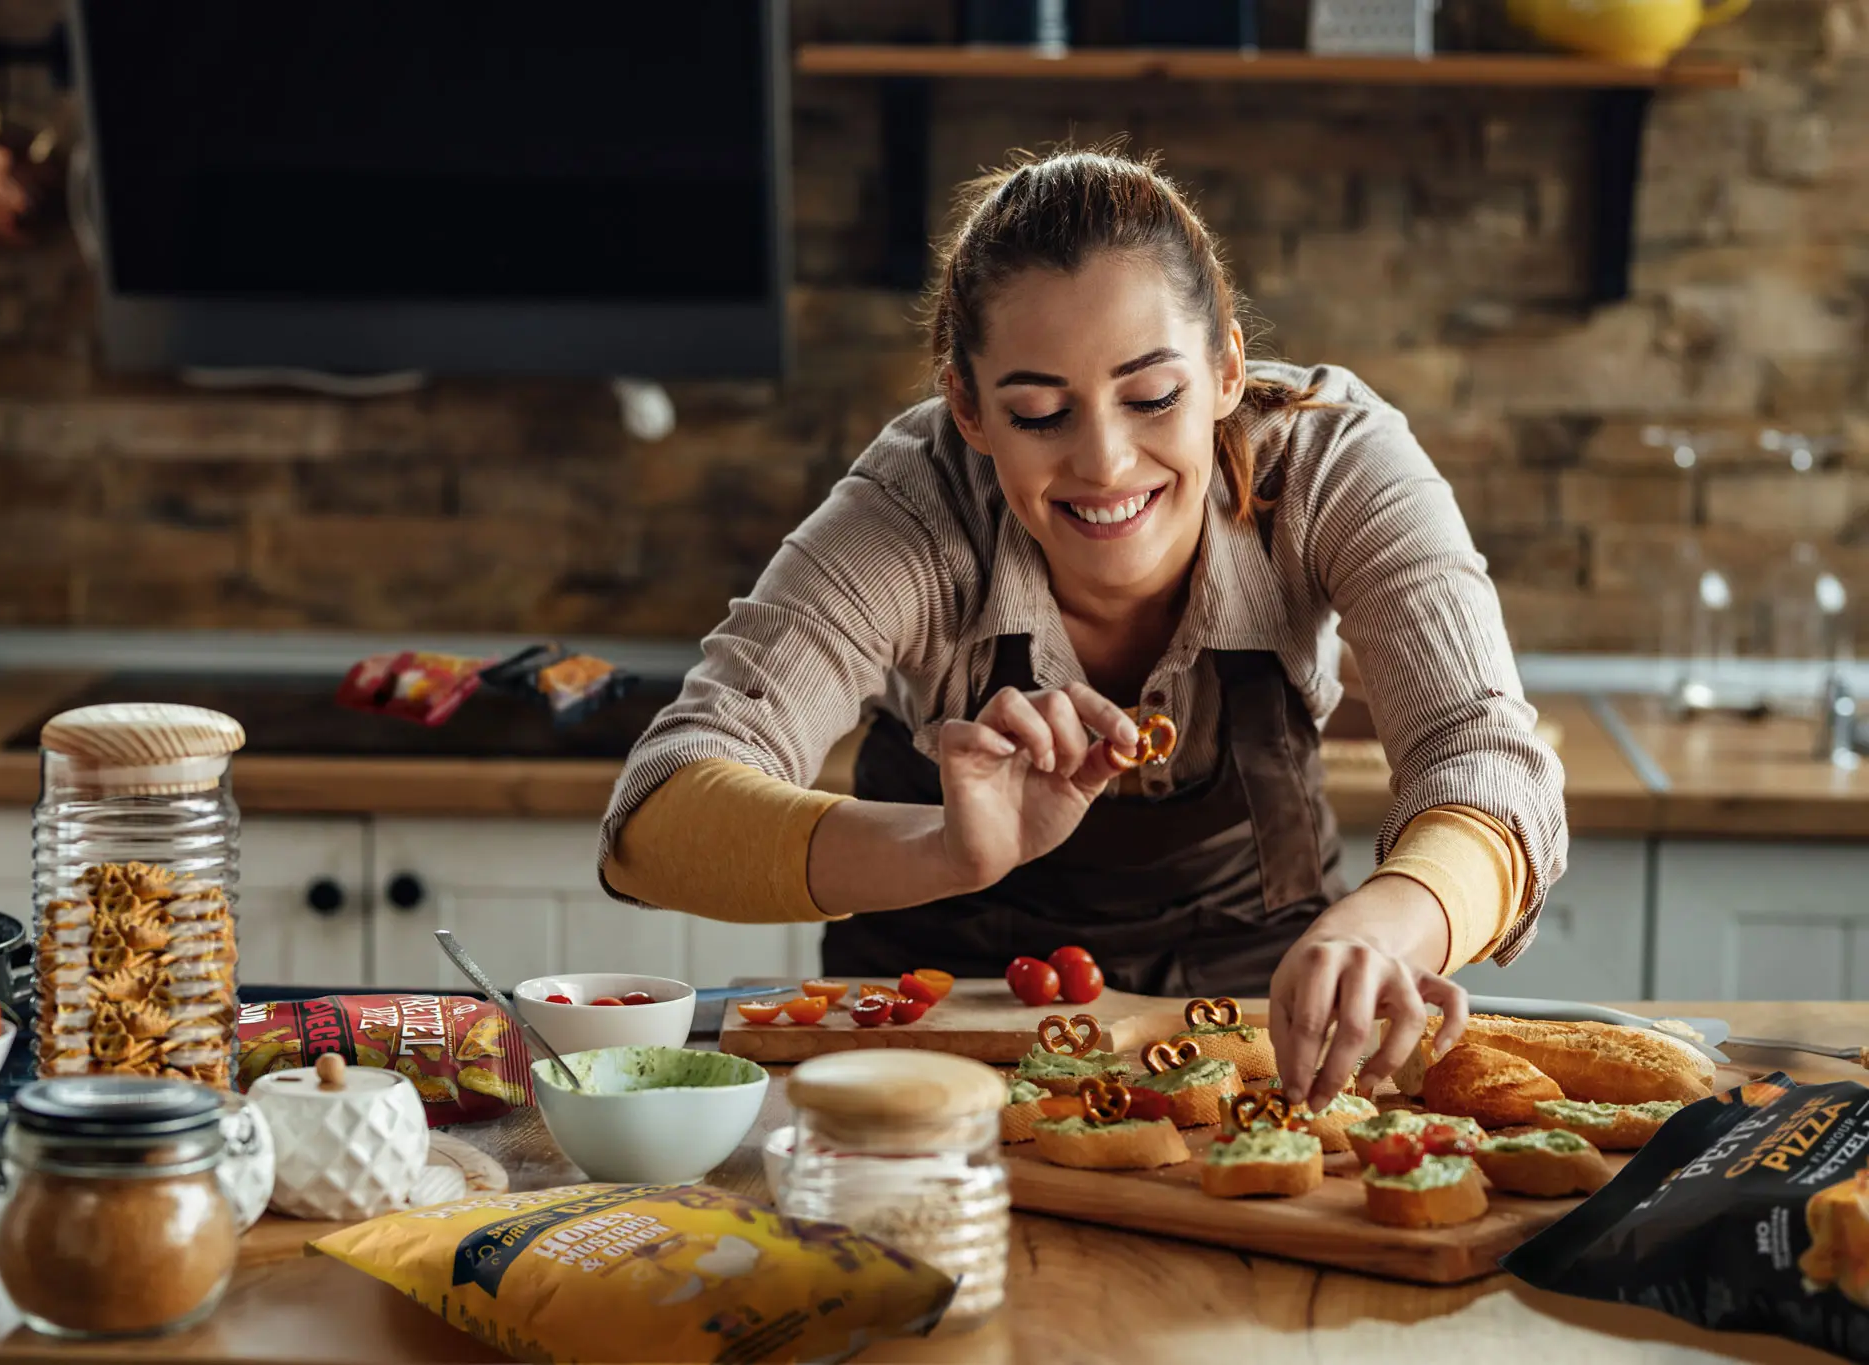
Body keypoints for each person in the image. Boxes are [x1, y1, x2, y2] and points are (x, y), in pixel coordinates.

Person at [596, 147, 1565, 1110]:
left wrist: (1387, 928)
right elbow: (654, 817)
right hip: (933, 1055)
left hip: (1264, 1034)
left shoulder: (1329, 464)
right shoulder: (913, 509)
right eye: (1038, 413)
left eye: (1151, 398)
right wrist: (942, 849)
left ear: (1226, 368)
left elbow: (1486, 757)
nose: (1103, 462)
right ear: (967, 411)